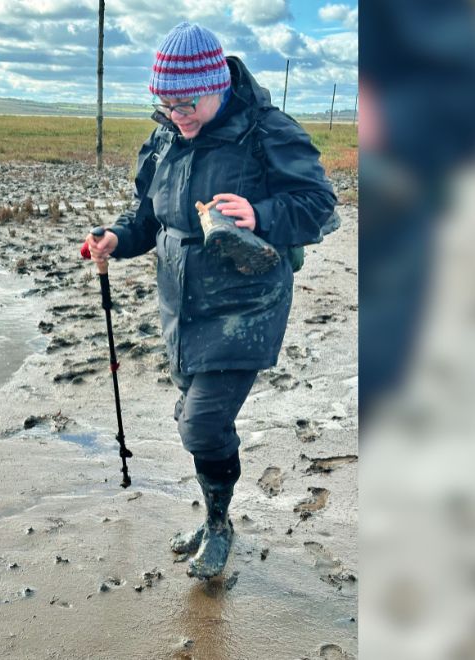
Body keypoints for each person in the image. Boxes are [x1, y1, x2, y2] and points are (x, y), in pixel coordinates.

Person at [85, 22, 336, 579]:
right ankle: (213, 514)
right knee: (197, 420)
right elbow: (148, 216)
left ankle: (220, 525)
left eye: (188, 101)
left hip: (246, 307)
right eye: (166, 102)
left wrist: (261, 215)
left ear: (216, 83)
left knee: (199, 425)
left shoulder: (266, 131)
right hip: (181, 306)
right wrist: (115, 239)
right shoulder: (166, 137)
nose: (177, 113)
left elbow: (318, 203)